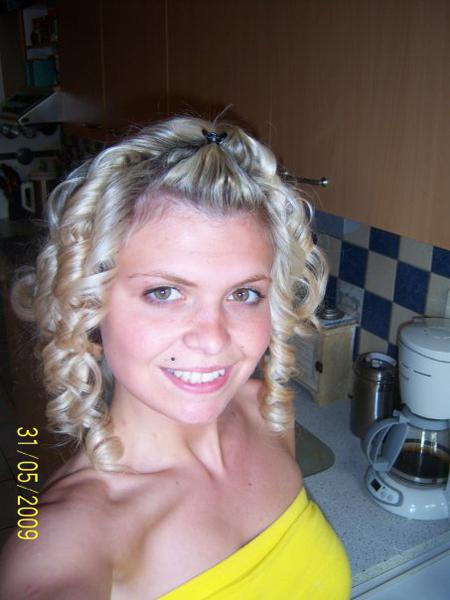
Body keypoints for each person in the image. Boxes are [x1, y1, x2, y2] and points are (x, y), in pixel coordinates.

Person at [0, 117, 351, 599]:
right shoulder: (65, 540)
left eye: (244, 294)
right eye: (164, 292)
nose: (213, 339)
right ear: (89, 303)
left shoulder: (266, 411)